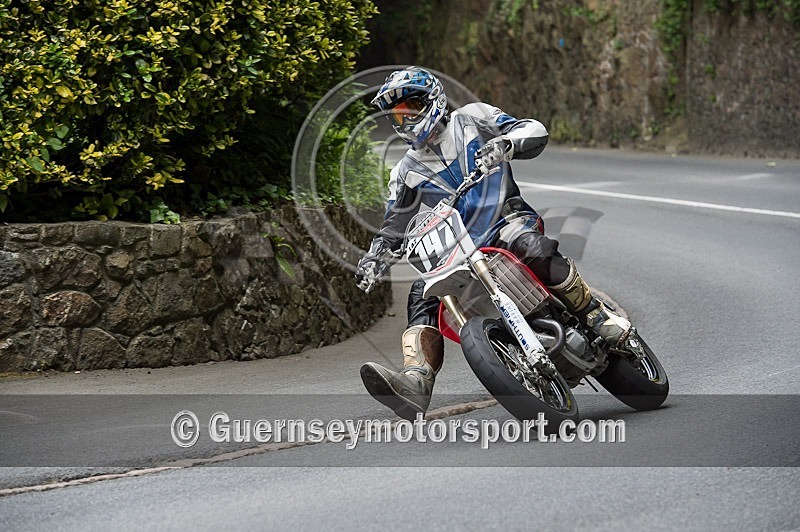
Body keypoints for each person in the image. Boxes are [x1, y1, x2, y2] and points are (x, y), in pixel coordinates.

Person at [355, 66, 631, 420]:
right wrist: (376, 253)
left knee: (532, 247)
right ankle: (416, 379)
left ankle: (593, 314)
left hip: (506, 219)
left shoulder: (473, 118)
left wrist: (506, 143)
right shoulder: (405, 170)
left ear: (432, 100)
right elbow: (395, 220)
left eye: (412, 107)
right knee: (420, 294)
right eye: (398, 114)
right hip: (458, 244)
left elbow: (532, 129)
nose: (407, 119)